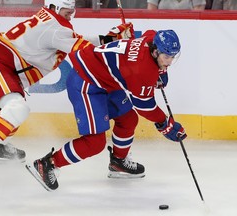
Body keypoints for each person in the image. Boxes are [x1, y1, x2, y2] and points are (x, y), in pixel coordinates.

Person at [0, 0, 134, 180]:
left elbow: (76, 40)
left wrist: (110, 39)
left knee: (15, 111)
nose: (71, 12)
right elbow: (87, 52)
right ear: (54, 7)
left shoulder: (52, 23)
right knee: (17, 108)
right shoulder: (56, 27)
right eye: (68, 9)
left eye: (72, 9)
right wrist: (122, 46)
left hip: (0, 65)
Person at [26, 29, 187, 191]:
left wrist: (161, 69)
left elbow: (150, 32)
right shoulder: (142, 70)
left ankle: (118, 161)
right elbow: (145, 107)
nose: (170, 61)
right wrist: (165, 124)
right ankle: (47, 164)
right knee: (95, 143)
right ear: (155, 51)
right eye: (166, 57)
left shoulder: (152, 40)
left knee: (128, 119)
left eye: (173, 57)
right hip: (86, 81)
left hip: (105, 79)